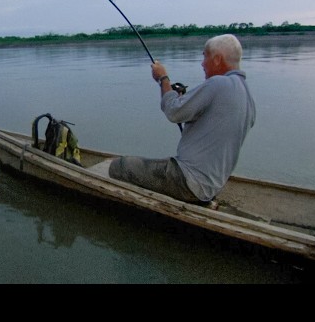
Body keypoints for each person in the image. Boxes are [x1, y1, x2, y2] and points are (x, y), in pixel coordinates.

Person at [108, 34, 256, 204]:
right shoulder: (247, 96)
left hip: (188, 182)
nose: (202, 63)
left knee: (119, 167)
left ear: (217, 59)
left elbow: (173, 112)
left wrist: (163, 78)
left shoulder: (218, 84)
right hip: (212, 186)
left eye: (205, 56)